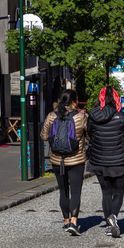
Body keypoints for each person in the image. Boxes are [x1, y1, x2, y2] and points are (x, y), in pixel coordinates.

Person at [87, 86, 124, 238]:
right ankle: (113, 216)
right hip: (119, 160)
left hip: (99, 159)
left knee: (106, 192)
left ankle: (109, 224)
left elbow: (90, 135)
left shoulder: (93, 116)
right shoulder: (122, 117)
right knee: (119, 192)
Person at [40, 89, 88, 236]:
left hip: (57, 159)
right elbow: (89, 134)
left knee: (63, 191)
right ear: (74, 101)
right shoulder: (81, 117)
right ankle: (74, 221)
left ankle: (65, 220)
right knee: (76, 191)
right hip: (76, 159)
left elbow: (43, 135)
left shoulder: (52, 116)